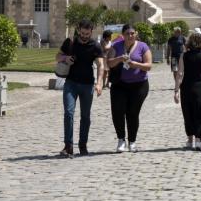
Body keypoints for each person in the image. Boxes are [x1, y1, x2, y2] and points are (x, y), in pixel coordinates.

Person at [56, 19, 104, 157]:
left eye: (87, 34)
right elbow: (57, 56)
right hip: (71, 83)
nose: (84, 36)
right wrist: (65, 58)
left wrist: (99, 83)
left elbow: (101, 65)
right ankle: (68, 146)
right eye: (82, 33)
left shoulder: (95, 46)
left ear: (91, 32)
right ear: (78, 30)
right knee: (68, 113)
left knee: (85, 116)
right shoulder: (70, 42)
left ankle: (83, 145)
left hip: (87, 84)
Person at [107, 24, 152, 153]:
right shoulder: (116, 46)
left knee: (133, 113)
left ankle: (132, 141)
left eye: (132, 33)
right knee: (118, 112)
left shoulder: (143, 46)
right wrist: (120, 59)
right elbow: (109, 63)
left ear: (135, 34)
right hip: (119, 85)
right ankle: (121, 140)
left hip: (139, 85)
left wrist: (135, 64)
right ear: (123, 35)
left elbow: (148, 66)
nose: (130, 36)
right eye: (127, 33)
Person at [174, 32, 201, 151]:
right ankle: (199, 140)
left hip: (187, 88)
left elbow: (180, 74)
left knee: (188, 113)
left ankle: (190, 140)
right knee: (200, 113)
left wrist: (176, 90)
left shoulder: (184, 56)